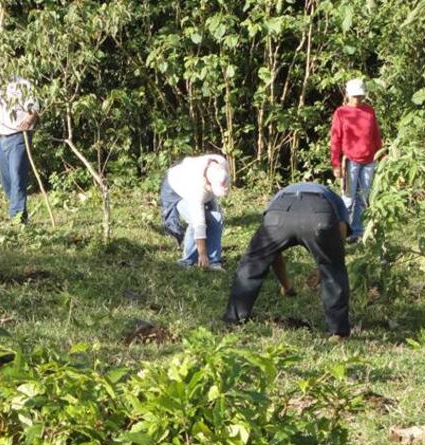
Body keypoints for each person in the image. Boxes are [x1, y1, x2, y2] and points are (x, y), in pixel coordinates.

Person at [223, 183, 352, 338]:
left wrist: (286, 286)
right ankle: (338, 331)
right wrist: (327, 265)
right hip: (319, 213)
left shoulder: (280, 194)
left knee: (253, 262)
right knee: (334, 271)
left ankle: (234, 318)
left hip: (279, 212)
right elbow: (341, 229)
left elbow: (273, 253)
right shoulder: (333, 197)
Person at [0, 55, 40, 223]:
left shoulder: (22, 84)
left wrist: (29, 119)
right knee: (6, 179)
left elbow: (34, 108)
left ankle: (17, 216)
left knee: (17, 175)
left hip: (18, 136)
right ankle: (18, 212)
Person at [329, 77, 382, 242]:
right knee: (348, 199)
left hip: (369, 160)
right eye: (354, 96)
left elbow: (375, 135)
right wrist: (336, 164)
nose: (357, 99)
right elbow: (335, 139)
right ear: (348, 95)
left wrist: (382, 154)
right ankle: (341, 233)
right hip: (350, 161)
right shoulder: (341, 112)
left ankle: (357, 232)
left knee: (363, 198)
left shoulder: (369, 111)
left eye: (360, 96)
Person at [159, 154, 230, 270]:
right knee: (192, 222)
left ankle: (213, 262)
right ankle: (187, 262)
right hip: (175, 188)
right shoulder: (196, 188)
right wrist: (202, 253)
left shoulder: (222, 164)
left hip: (200, 187)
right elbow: (199, 224)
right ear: (208, 183)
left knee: (216, 218)